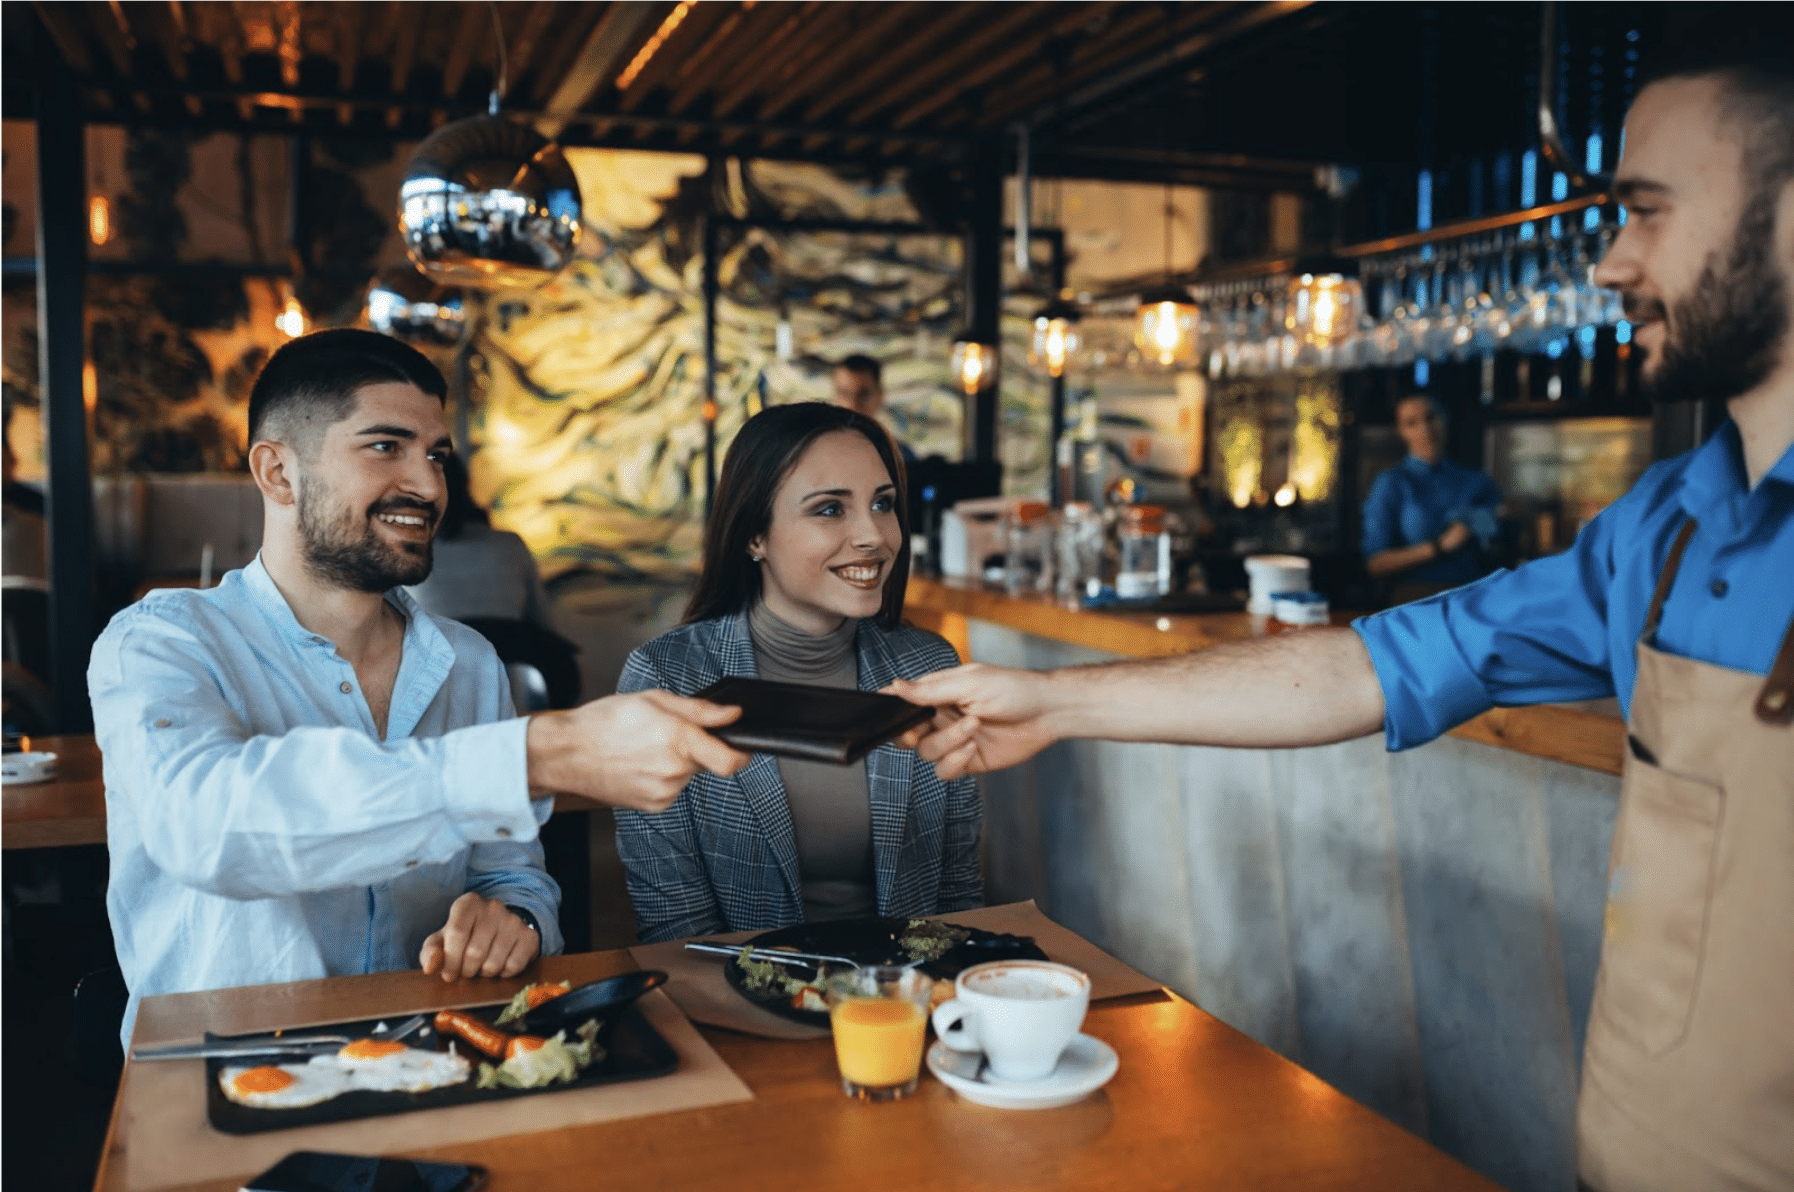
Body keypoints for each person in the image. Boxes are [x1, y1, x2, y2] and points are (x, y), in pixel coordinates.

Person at [889, 48, 1793, 1192]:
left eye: (1647, 213)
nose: (1612, 260)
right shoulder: (1659, 530)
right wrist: (1056, 700)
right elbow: (1376, 662)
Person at [89, 329, 750, 1045]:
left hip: (437, 1069)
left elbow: (514, 876)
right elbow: (205, 827)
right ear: (278, 473)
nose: (430, 485)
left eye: (436, 454)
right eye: (385, 447)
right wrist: (536, 754)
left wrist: (515, 921)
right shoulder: (160, 641)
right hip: (225, 1096)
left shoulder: (468, 663)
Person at [613, 401, 981, 943]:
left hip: (905, 1002)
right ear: (753, 536)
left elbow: (958, 899)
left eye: (883, 504)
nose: (874, 536)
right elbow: (676, 927)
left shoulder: (930, 668)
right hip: (738, 1001)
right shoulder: (664, 680)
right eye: (830, 509)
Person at [408, 454, 581, 708]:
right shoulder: (510, 543)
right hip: (526, 661)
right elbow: (543, 622)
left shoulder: (406, 550)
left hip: (439, 670)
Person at [1360, 393, 1502, 595]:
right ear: (1401, 431)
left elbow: (1502, 537)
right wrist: (1439, 546)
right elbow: (1375, 564)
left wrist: (1506, 519)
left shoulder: (1475, 480)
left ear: (1445, 419)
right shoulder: (1392, 483)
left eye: (1431, 418)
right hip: (1416, 600)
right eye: (1411, 423)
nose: (1425, 429)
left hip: (1473, 596)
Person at [830, 354, 916, 463]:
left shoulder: (900, 457)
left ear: (880, 396)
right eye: (843, 393)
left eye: (863, 394)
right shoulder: (816, 452)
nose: (852, 405)